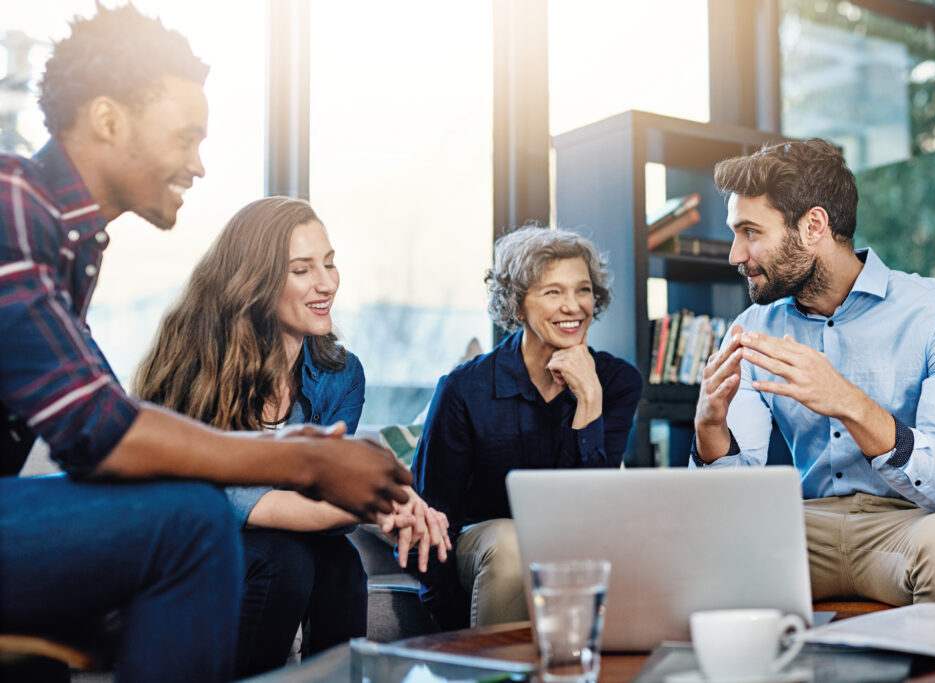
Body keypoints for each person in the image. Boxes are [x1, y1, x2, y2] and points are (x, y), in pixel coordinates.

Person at [0, 6, 410, 681]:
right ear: (108, 120)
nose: (198, 164)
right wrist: (303, 456)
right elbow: (101, 432)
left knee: (201, 522)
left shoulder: (71, 240)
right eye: (185, 137)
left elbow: (98, 428)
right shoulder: (16, 202)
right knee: (191, 522)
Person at [133, 196, 451, 677]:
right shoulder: (195, 362)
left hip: (294, 546)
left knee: (340, 562)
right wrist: (386, 503)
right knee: (284, 560)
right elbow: (245, 503)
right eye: (302, 270)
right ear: (256, 280)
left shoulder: (341, 374)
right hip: (196, 541)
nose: (326, 284)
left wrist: (391, 497)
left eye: (329, 263)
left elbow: (332, 498)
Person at [692, 138, 935, 611]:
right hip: (802, 528)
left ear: (814, 225)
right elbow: (732, 505)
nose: (736, 255)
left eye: (750, 232)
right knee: (697, 550)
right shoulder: (752, 330)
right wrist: (709, 430)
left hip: (907, 526)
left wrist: (847, 401)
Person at [412, 225, 643, 629]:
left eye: (583, 290)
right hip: (484, 548)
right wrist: (449, 632)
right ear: (517, 306)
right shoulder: (464, 389)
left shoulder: (617, 382)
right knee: (510, 541)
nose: (573, 306)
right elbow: (432, 521)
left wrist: (589, 401)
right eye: (553, 292)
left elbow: (594, 512)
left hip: (575, 544)